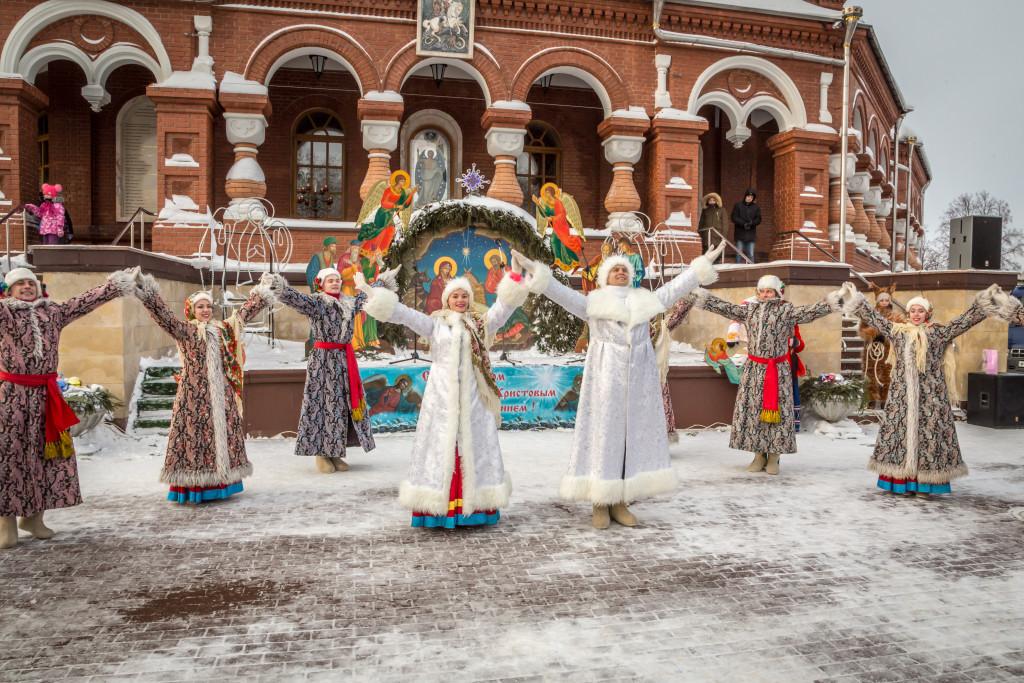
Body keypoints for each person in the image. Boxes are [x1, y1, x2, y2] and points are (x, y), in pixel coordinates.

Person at [513, 241, 725, 529]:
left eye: (624, 270)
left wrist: (700, 267)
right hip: (605, 383)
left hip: (637, 386)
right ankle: (601, 502)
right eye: (614, 270)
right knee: (605, 439)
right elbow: (560, 293)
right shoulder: (594, 303)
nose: (621, 273)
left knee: (629, 442)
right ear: (604, 277)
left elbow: (674, 289)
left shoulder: (645, 300)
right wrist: (536, 273)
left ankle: (620, 501)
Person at [357, 264, 531, 529]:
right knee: (441, 448)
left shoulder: (480, 324)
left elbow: (504, 307)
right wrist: (374, 295)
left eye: (464, 296)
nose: (460, 300)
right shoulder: (435, 324)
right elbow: (403, 314)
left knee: (475, 449)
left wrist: (515, 278)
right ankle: (437, 507)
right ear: (446, 299)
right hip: (442, 398)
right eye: (455, 296)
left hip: (473, 397)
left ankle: (477, 507)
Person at [1, 266, 137, 550]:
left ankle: (34, 518)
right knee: (9, 457)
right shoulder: (5, 314)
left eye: (31, 282)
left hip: (46, 396)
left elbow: (83, 303)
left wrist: (114, 286)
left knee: (45, 457)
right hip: (11, 396)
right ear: (9, 290)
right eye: (20, 284)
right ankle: (6, 523)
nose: (27, 287)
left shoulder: (53, 312)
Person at [842, 282, 1012, 496]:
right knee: (900, 437)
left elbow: (963, 322)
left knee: (928, 439)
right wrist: (855, 298)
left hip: (930, 397)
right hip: (902, 396)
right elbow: (875, 319)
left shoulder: (938, 333)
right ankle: (901, 482)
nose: (915, 314)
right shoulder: (898, 332)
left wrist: (986, 303)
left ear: (927, 313)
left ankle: (925, 485)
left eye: (920, 311)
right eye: (912, 310)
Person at [133, 273, 274, 504]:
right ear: (191, 309)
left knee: (221, 436)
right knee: (194, 438)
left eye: (208, 306)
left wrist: (264, 291)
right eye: (200, 306)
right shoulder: (184, 330)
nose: (206, 310)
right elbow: (163, 315)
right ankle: (194, 487)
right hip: (193, 394)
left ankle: (221, 485)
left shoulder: (223, 329)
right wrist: (145, 290)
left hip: (221, 393)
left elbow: (244, 314)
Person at [690, 275, 844, 475]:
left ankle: (774, 456)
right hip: (755, 370)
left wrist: (836, 300)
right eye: (761, 291)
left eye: (769, 291)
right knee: (755, 412)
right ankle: (758, 454)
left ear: (777, 292)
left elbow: (809, 312)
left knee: (777, 413)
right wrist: (700, 296)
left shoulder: (786, 310)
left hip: (777, 371)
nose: (765, 294)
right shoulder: (750, 309)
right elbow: (725, 307)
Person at [260, 268, 381, 473]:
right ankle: (321, 454)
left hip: (344, 360)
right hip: (323, 362)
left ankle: (335, 452)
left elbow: (367, 297)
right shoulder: (317, 303)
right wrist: (277, 285)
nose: (335, 283)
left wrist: (381, 281)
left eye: (338, 280)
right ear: (321, 284)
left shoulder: (349, 303)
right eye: (330, 280)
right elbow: (295, 298)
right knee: (323, 404)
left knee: (341, 405)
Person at [859, 285, 905, 408]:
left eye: (886, 300)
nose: (884, 302)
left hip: (889, 351)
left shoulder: (896, 316)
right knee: (871, 374)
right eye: (881, 300)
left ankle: (886, 401)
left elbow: (901, 330)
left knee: (887, 374)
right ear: (877, 301)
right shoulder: (870, 315)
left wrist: (887, 337)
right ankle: (871, 400)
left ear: (889, 301)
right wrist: (873, 334)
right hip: (872, 349)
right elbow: (862, 330)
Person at [304, 237, 337, 358]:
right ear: (326, 247)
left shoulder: (331, 259)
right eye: (332, 246)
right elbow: (311, 273)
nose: (334, 248)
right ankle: (315, 345)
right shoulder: (317, 258)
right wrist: (318, 290)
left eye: (335, 246)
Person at [730, 189, 761, 263]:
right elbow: (734, 217)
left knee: (750, 254)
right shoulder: (738, 205)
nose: (749, 198)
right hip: (740, 234)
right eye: (748, 196)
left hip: (751, 234)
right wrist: (743, 223)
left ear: (753, 198)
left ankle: (751, 269)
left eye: (751, 197)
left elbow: (759, 219)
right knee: (739, 253)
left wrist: (752, 223)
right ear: (745, 196)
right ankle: (737, 268)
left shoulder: (756, 207)